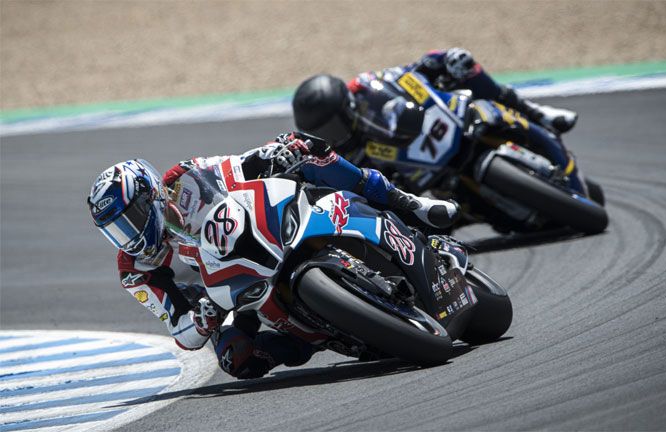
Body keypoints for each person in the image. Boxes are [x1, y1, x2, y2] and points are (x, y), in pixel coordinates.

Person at [87, 132, 459, 380]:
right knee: (237, 359)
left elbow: (240, 165)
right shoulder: (135, 270)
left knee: (309, 151)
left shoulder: (184, 177)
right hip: (230, 296)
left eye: (131, 219)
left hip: (264, 232)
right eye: (116, 231)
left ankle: (410, 205)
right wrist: (202, 317)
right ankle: (313, 338)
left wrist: (273, 153)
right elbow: (181, 333)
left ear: (152, 195)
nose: (130, 236)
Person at [292, 47, 585, 194]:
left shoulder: (369, 87)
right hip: (430, 184)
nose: (335, 135)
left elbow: (414, 70)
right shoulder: (341, 155)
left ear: (348, 105)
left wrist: (439, 62)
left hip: (450, 126)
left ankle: (535, 111)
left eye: (335, 125)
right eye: (326, 132)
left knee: (461, 62)